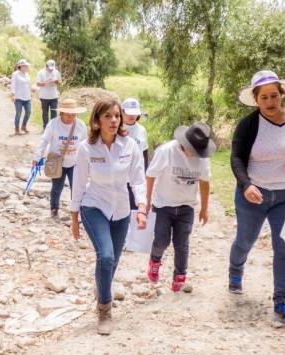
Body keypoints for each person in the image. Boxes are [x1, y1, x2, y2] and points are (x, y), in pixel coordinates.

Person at [228, 70, 285, 324]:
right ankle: (235, 271)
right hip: (252, 195)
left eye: (274, 95)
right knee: (245, 240)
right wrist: (246, 185)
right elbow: (236, 159)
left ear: (282, 94)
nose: (270, 102)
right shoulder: (248, 124)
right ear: (256, 100)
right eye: (264, 97)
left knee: (284, 247)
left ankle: (283, 302)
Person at [70, 99, 147, 335]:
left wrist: (142, 207)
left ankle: (101, 287)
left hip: (121, 209)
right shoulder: (87, 148)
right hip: (94, 206)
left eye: (116, 116)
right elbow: (79, 183)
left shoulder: (130, 145)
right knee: (105, 256)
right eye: (108, 116)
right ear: (96, 120)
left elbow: (137, 178)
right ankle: (104, 309)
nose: (113, 120)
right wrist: (74, 217)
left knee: (112, 261)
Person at [145, 122, 214, 292]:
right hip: (163, 205)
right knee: (161, 240)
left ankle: (180, 274)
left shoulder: (202, 158)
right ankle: (155, 261)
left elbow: (205, 182)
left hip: (186, 206)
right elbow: (150, 175)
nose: (194, 153)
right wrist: (146, 200)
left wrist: (204, 208)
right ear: (184, 143)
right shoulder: (166, 151)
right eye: (191, 149)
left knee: (182, 243)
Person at [32, 98, 87, 220]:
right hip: (58, 162)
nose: (70, 117)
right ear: (61, 113)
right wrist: (37, 156)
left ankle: (77, 212)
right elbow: (44, 140)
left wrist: (88, 161)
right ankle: (54, 210)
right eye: (67, 115)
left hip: (75, 162)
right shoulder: (53, 124)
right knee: (57, 188)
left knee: (77, 188)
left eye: (73, 115)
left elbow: (85, 144)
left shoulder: (80, 125)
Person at [121, 98, 149, 210]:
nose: (132, 116)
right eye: (129, 113)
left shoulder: (141, 130)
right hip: (121, 177)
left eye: (134, 113)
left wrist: (145, 174)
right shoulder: (116, 128)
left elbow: (144, 152)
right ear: (122, 112)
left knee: (135, 208)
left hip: (137, 177)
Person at [36, 60, 61, 129]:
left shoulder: (56, 72)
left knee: (54, 113)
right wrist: (47, 82)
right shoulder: (41, 72)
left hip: (54, 96)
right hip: (44, 96)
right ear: (46, 66)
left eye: (52, 68)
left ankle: (53, 128)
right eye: (49, 68)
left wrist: (56, 82)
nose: (51, 70)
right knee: (45, 113)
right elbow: (38, 84)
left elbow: (60, 82)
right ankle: (45, 128)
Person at [10, 59, 32, 135]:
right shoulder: (15, 74)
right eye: (24, 66)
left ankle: (24, 126)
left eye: (26, 66)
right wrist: (12, 95)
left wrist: (30, 94)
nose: (26, 67)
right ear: (21, 66)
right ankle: (16, 129)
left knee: (28, 112)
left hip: (27, 97)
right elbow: (13, 84)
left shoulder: (27, 75)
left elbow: (28, 85)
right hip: (18, 97)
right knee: (18, 113)